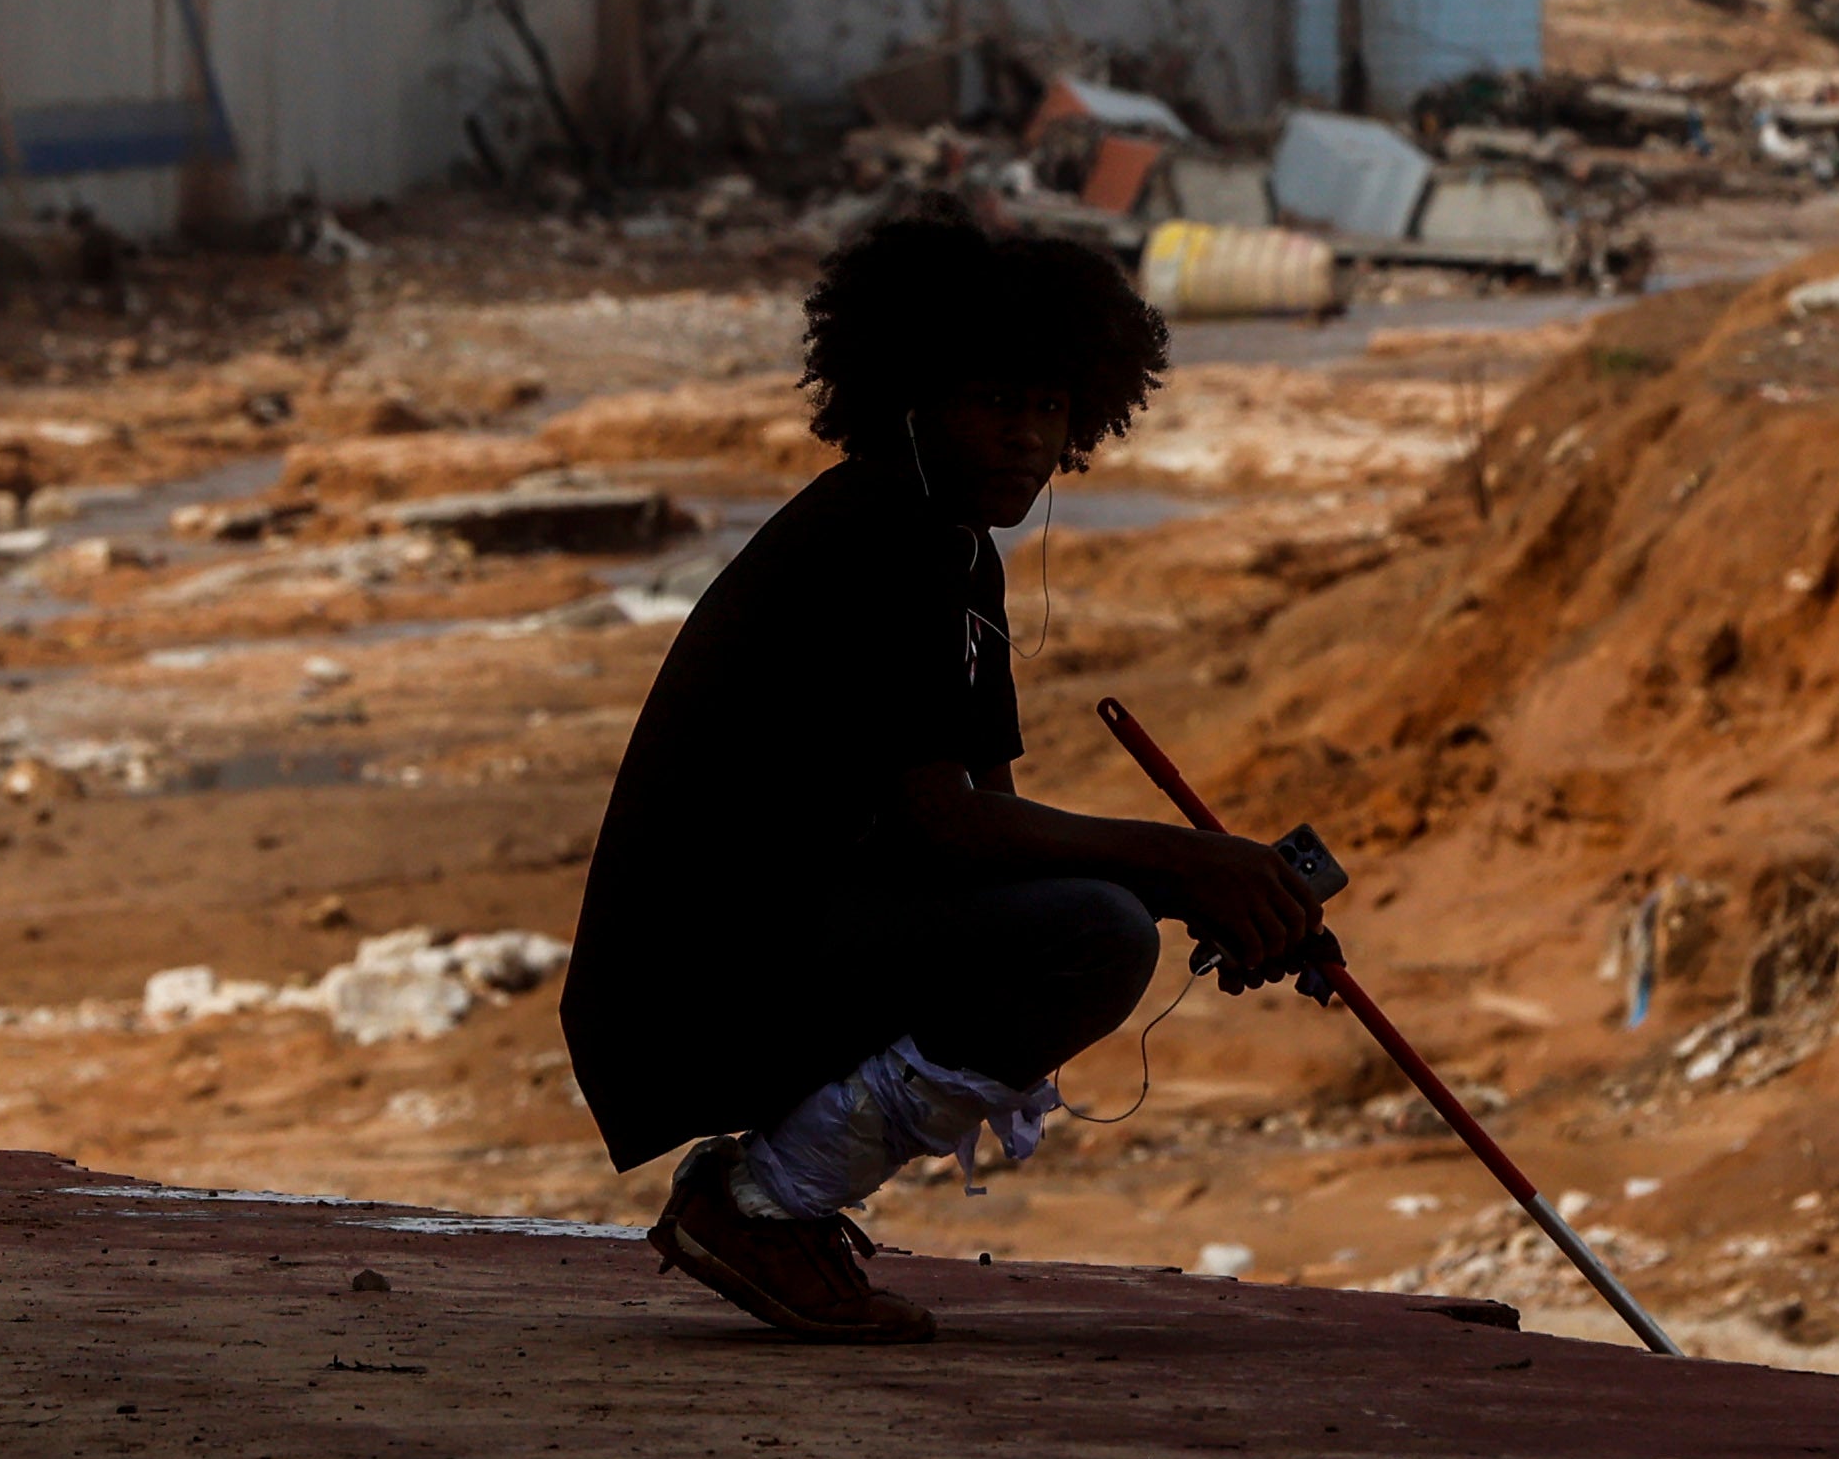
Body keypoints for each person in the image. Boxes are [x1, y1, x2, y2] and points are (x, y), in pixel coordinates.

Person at [564, 207, 1325, 1340]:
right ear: (913, 395)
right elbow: (945, 830)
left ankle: (775, 1199)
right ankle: (759, 1204)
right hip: (693, 974)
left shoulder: (955, 546)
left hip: (779, 936)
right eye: (1000, 402)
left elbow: (991, 829)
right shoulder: (878, 539)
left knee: (1099, 916)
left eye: (1052, 408)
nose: (1029, 436)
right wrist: (1184, 862)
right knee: (1101, 936)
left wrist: (1215, 889)